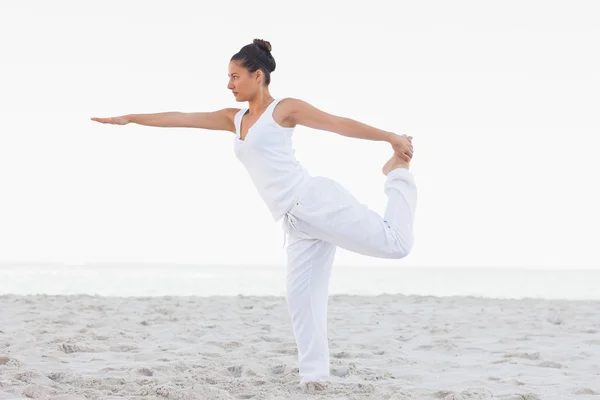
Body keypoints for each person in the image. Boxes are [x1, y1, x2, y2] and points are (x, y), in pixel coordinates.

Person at [91, 38, 417, 386]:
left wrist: (390, 138)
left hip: (315, 201)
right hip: (295, 222)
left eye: (235, 76)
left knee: (396, 245)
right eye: (228, 77)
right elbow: (183, 118)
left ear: (257, 75)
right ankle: (315, 377)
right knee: (302, 300)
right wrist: (132, 119)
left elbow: (336, 123)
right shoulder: (235, 119)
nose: (229, 84)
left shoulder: (284, 109)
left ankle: (397, 175)